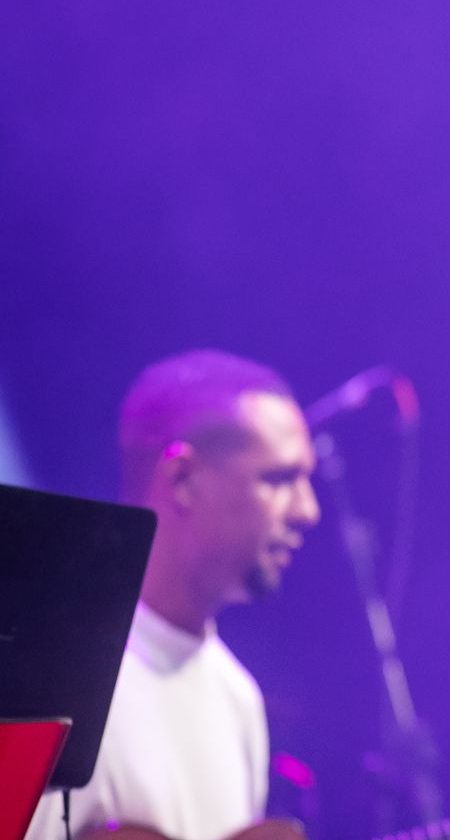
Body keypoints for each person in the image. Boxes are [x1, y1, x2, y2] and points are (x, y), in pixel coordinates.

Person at [26, 350, 320, 840]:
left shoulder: (238, 699)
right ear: (182, 479)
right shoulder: (51, 675)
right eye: (278, 479)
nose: (308, 510)